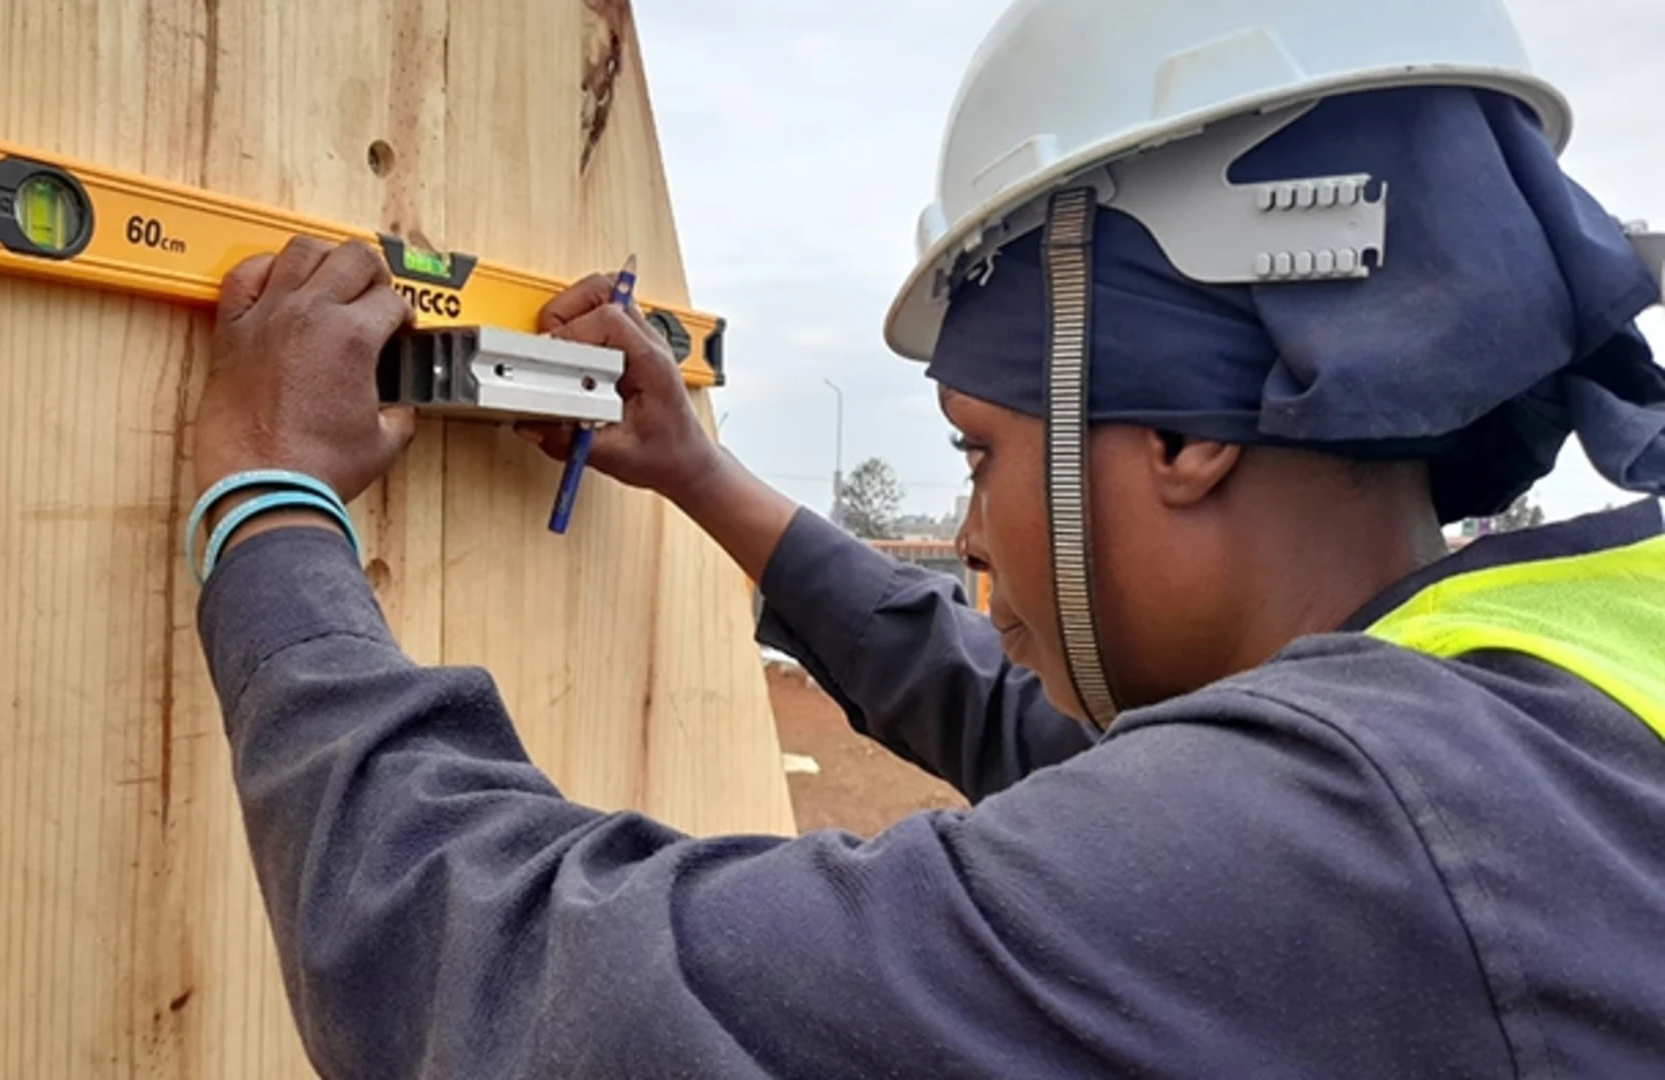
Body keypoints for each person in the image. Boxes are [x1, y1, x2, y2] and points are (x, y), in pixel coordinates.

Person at [185, 1, 1665, 1075]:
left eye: (983, 450)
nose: (967, 532)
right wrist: (702, 476)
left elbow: (551, 993)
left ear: (1188, 438)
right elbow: (1036, 739)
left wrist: (268, 503)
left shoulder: (1375, 843)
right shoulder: (1535, 706)